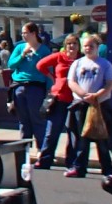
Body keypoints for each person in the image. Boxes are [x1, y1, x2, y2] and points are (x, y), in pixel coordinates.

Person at [64, 33, 112, 178]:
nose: (88, 48)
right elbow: (71, 82)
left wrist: (96, 96)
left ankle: (108, 170)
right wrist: (83, 95)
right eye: (85, 46)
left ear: (97, 47)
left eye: (91, 46)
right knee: (81, 138)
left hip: (100, 105)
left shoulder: (105, 64)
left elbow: (110, 83)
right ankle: (79, 168)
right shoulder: (77, 63)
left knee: (102, 138)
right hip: (81, 104)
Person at [34, 34, 81, 169]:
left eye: (74, 43)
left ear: (79, 46)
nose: (72, 46)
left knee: (73, 133)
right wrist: (52, 77)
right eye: (69, 43)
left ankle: (71, 162)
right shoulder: (59, 56)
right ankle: (45, 160)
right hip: (59, 99)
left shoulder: (82, 59)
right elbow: (40, 65)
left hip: (75, 100)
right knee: (52, 131)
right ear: (65, 46)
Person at [6, 22, 51, 156]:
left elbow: (49, 72)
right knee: (23, 120)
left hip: (36, 87)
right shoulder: (20, 47)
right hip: (19, 86)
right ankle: (24, 149)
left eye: (25, 33)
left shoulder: (44, 50)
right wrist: (22, 55)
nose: (23, 35)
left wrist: (49, 90)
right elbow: (11, 65)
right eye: (22, 33)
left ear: (33, 33)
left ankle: (41, 149)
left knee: (37, 118)